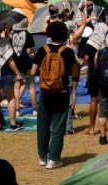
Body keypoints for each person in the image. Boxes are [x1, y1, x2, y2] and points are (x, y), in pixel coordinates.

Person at [32, 21, 78, 170]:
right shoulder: (67, 51)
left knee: (43, 124)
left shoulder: (42, 50)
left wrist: (46, 75)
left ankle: (42, 157)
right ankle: (54, 158)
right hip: (61, 91)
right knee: (58, 125)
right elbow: (75, 73)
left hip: (45, 91)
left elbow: (33, 72)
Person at [11, 19, 36, 115]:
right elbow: (29, 51)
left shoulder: (12, 35)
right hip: (26, 63)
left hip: (15, 63)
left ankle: (17, 109)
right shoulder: (28, 35)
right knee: (31, 86)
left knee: (16, 87)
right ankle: (34, 109)